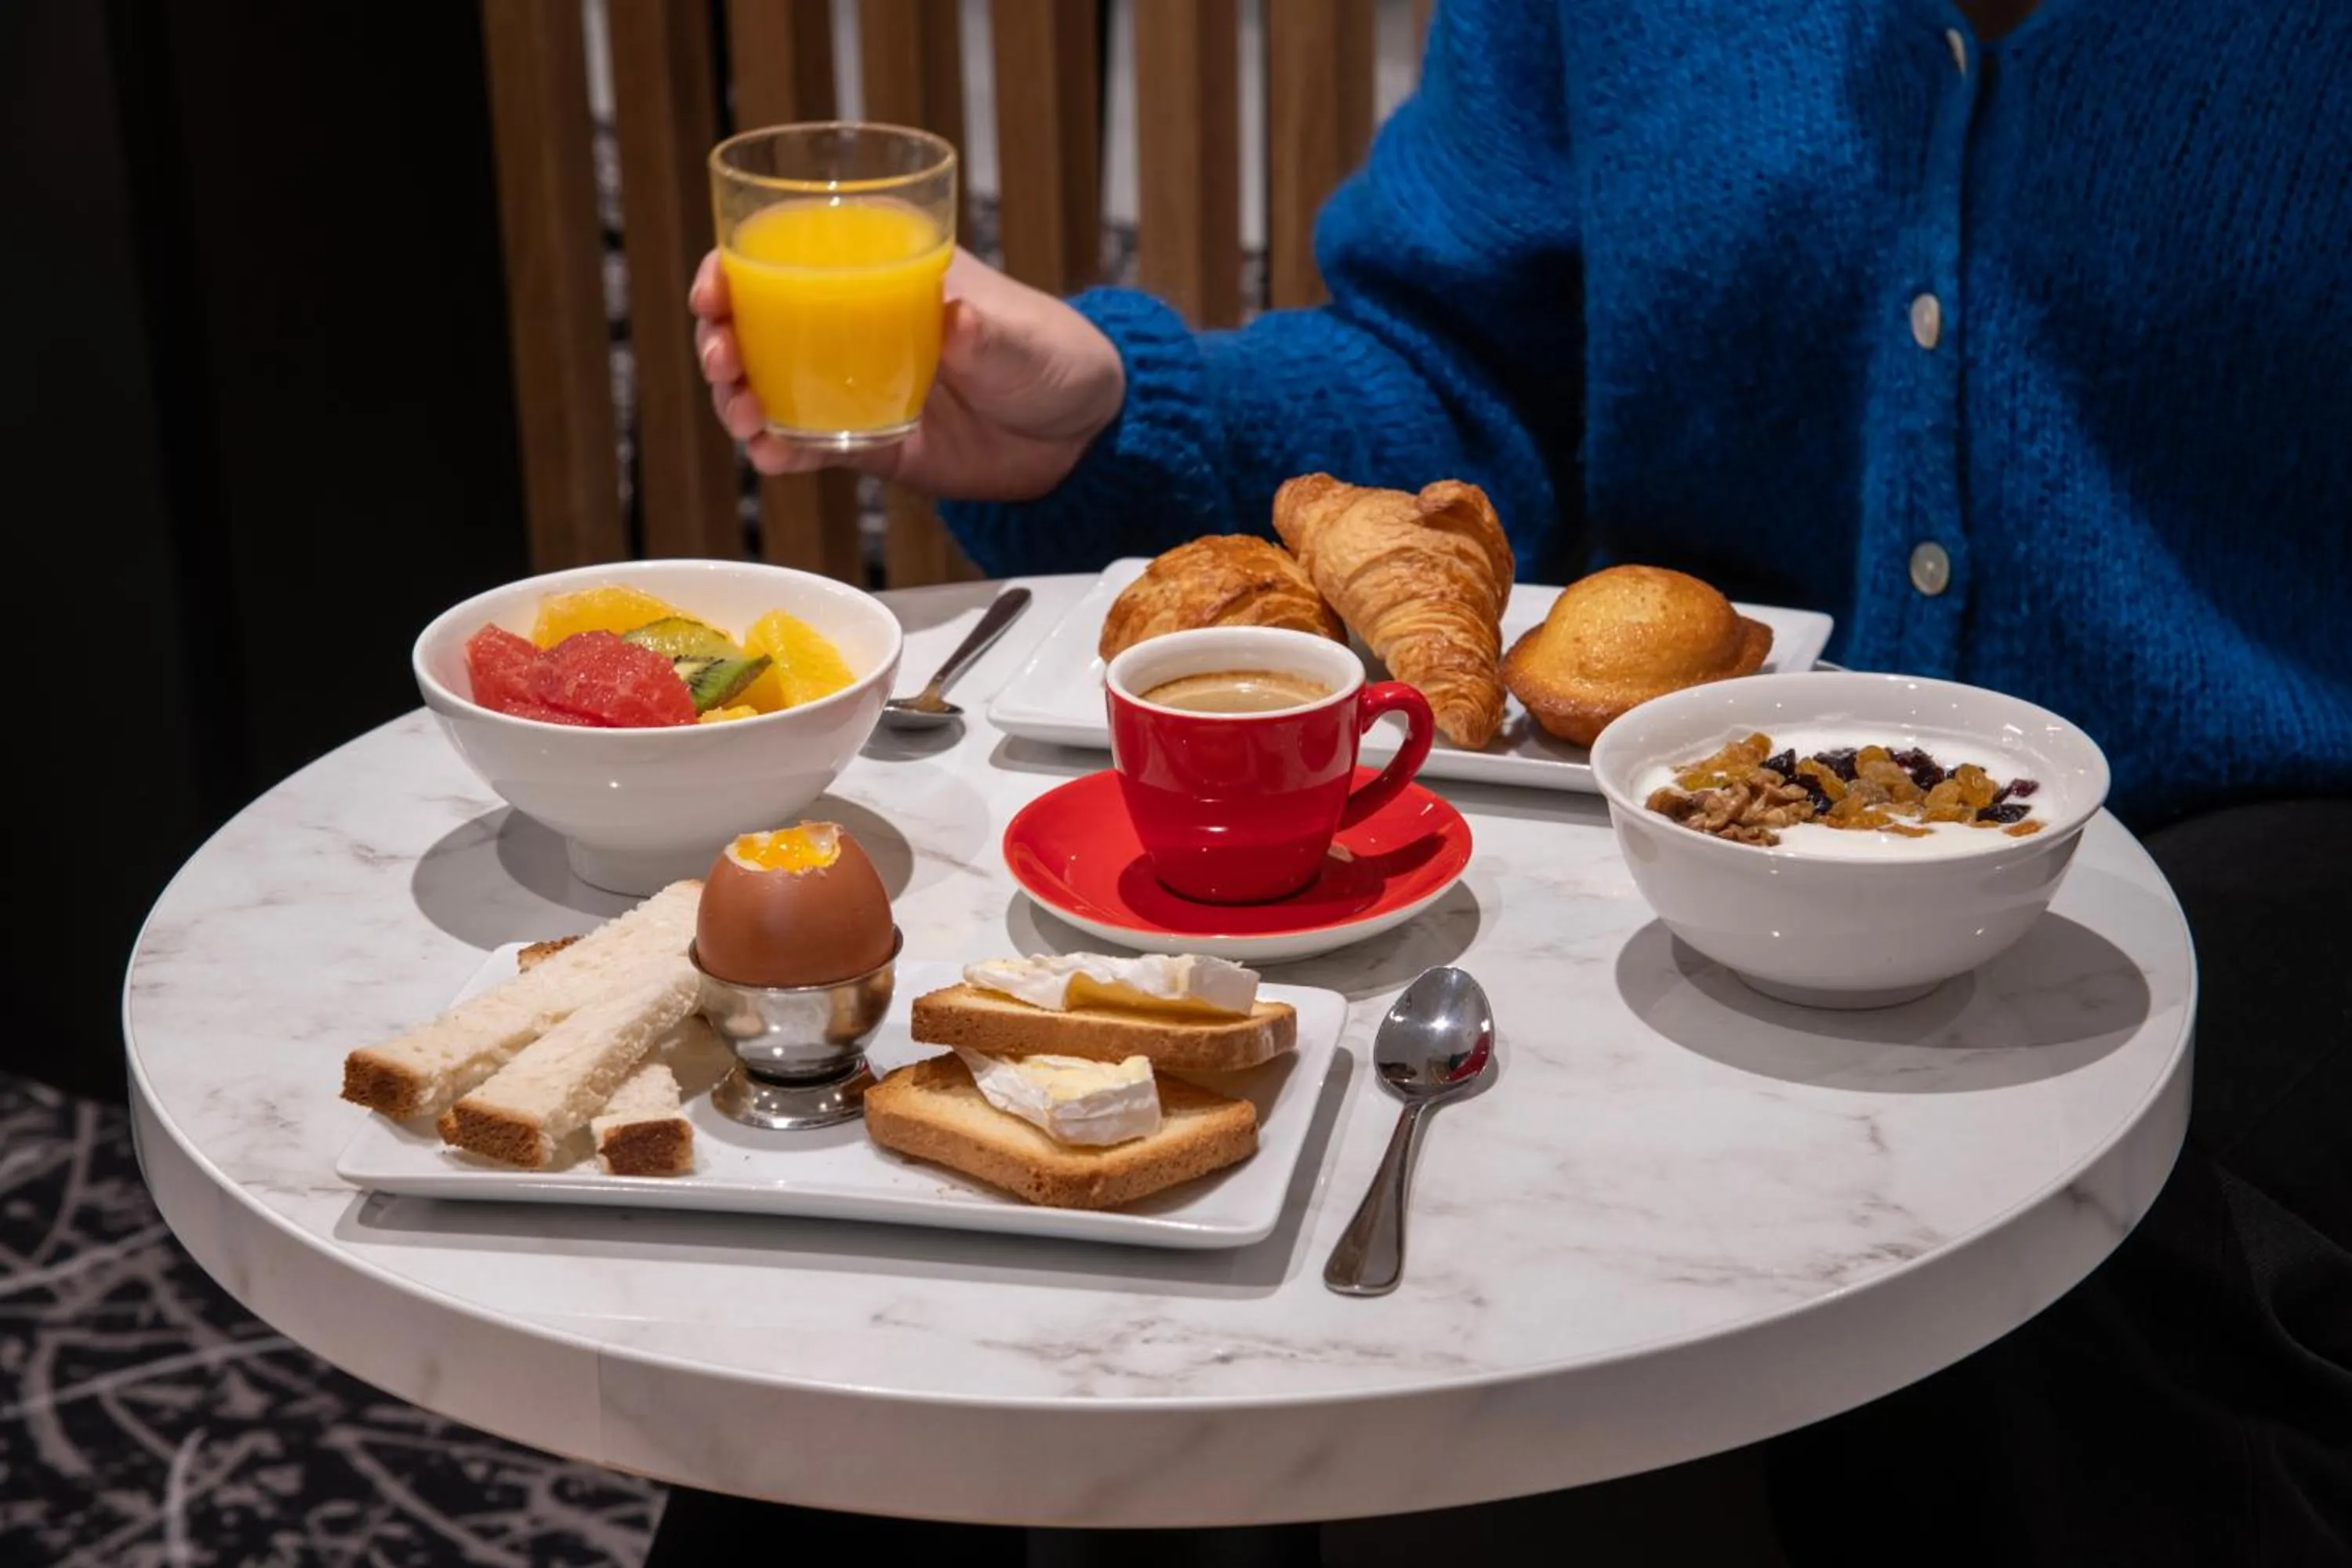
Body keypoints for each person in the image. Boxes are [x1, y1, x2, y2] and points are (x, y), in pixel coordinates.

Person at [675, 0, 2352, 1561]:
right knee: (1012, 1221)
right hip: (1669, 824)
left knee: (2109, 1276)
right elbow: (1463, 387)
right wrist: (1102, 423)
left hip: (2266, 825)